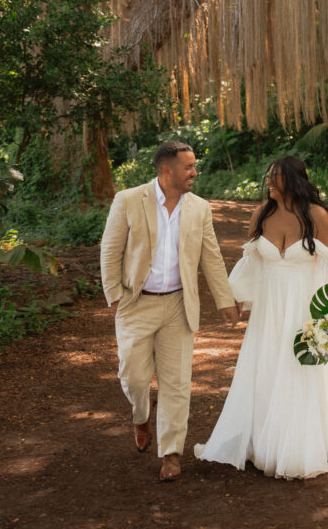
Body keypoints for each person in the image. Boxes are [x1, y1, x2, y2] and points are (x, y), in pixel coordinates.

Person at [194, 155, 328, 479]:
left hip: (304, 307)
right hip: (270, 311)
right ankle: (266, 440)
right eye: (268, 177)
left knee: (302, 368)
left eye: (275, 178)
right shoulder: (261, 214)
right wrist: (241, 298)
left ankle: (302, 444)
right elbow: (252, 262)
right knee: (268, 367)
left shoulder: (317, 216)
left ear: (294, 180)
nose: (268, 182)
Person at [100, 140, 238, 482]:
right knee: (132, 377)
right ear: (167, 170)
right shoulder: (129, 200)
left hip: (179, 305)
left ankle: (171, 453)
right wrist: (114, 294)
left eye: (194, 166)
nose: (195, 172)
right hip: (136, 303)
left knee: (176, 383)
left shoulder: (200, 208)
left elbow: (211, 256)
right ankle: (141, 415)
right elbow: (110, 249)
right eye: (188, 167)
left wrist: (225, 300)